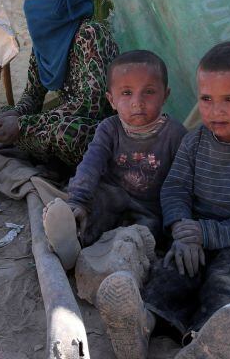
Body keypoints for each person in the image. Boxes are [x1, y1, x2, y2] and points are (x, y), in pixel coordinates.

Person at [95, 42, 230, 359]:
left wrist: (211, 235)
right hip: (194, 232)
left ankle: (209, 345)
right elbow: (175, 188)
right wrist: (182, 229)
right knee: (173, 271)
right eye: (206, 99)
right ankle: (140, 325)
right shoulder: (194, 140)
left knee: (228, 279)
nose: (216, 111)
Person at [42, 50, 187, 269]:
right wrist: (78, 199)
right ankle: (73, 243)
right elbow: (91, 164)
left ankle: (121, 264)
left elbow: (181, 184)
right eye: (127, 93)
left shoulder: (176, 134)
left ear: (165, 95)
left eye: (148, 92)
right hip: (111, 196)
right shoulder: (110, 128)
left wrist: (180, 225)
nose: (137, 102)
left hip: (147, 208)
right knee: (92, 210)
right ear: (111, 99)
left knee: (141, 234)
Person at [0, 0, 119, 167]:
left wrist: (22, 125)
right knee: (3, 113)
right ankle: (44, 155)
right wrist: (17, 114)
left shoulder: (90, 33)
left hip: (99, 127)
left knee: (67, 133)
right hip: (59, 121)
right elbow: (33, 96)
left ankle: (43, 154)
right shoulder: (43, 43)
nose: (30, 5)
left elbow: (90, 105)